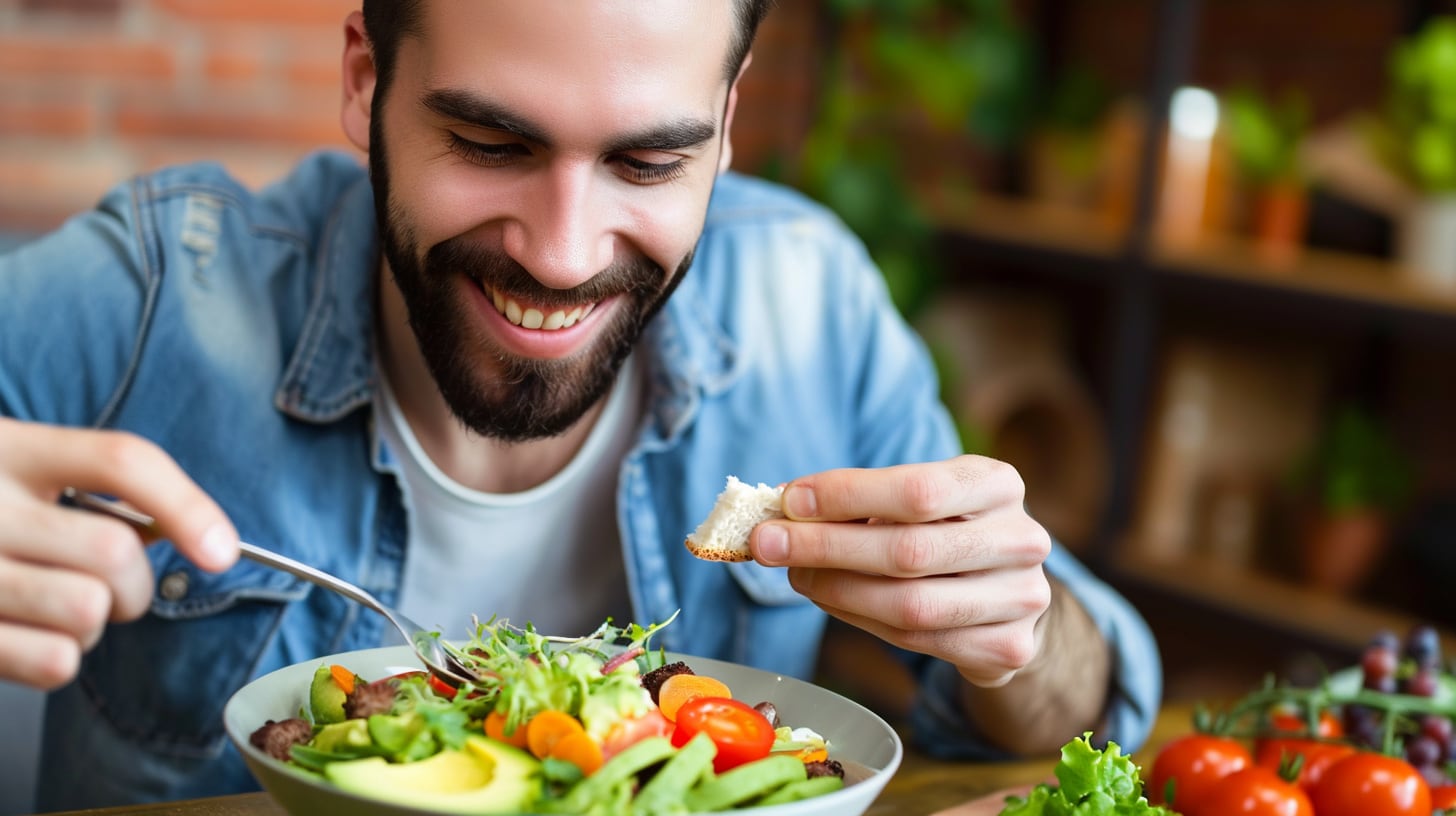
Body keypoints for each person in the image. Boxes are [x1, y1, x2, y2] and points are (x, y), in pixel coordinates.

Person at [0, 0, 1161, 809]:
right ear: (365, 79)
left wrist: (1022, 637)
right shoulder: (158, 296)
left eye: (648, 164)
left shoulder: (814, 308)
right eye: (487, 141)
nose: (561, 255)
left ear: (726, 119)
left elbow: (1070, 726)